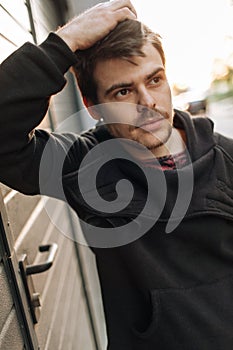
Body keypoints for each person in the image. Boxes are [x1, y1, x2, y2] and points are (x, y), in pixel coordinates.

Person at [1, 0, 233, 349]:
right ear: (92, 104)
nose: (147, 102)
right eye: (123, 91)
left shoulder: (225, 157)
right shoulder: (85, 166)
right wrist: (64, 43)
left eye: (154, 80)